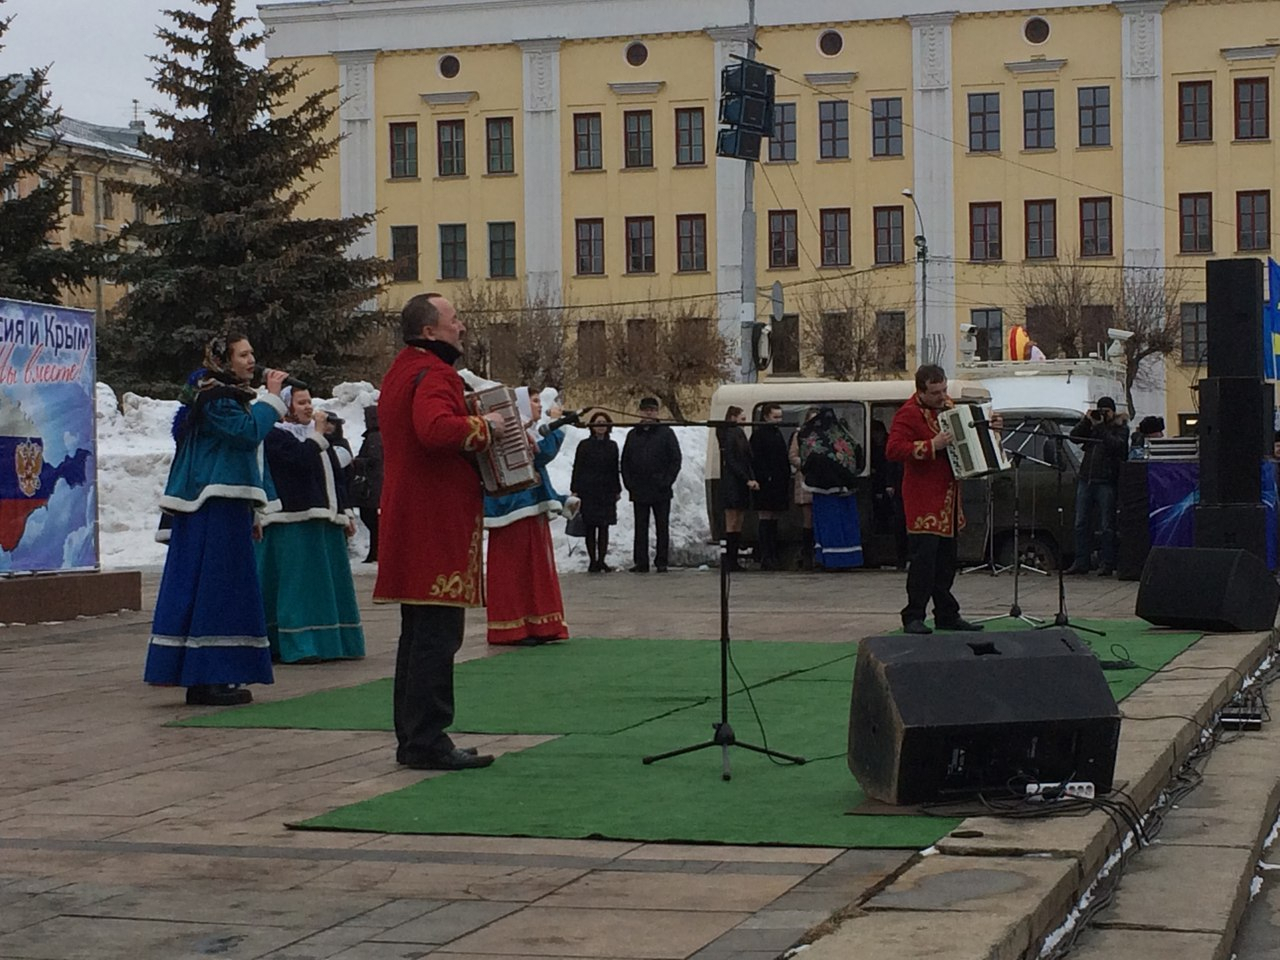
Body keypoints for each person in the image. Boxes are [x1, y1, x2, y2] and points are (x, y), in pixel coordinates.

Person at [374, 293, 504, 771]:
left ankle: (414, 737)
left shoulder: (403, 370)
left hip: (412, 517)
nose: (462, 327)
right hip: (435, 523)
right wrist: (485, 426)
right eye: (454, 320)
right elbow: (434, 430)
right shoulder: (436, 373)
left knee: (418, 635)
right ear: (429, 331)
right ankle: (428, 738)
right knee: (436, 637)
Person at [143, 334, 288, 706]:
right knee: (216, 587)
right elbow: (247, 435)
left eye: (253, 352)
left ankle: (211, 672)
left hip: (227, 502)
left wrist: (256, 507)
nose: (252, 360)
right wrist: (271, 399)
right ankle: (207, 674)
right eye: (243, 354)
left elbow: (249, 455)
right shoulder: (214, 396)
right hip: (212, 502)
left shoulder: (227, 396)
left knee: (225, 587)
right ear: (223, 359)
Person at [257, 386, 366, 664]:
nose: (308, 407)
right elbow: (300, 459)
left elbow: (336, 477)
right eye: (301, 402)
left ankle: (332, 642)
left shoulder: (314, 436)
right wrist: (318, 434)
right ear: (285, 406)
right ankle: (298, 643)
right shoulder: (273, 435)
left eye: (309, 402)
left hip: (323, 520)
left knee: (326, 585)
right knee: (297, 586)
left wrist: (345, 513)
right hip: (293, 520)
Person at [886, 364, 986, 635]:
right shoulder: (907, 414)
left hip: (949, 499)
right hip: (924, 500)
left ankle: (946, 614)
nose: (942, 396)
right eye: (935, 392)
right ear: (921, 391)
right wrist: (932, 445)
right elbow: (894, 449)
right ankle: (913, 615)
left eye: (943, 390)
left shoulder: (948, 406)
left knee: (946, 562)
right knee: (923, 563)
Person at [484, 389, 571, 645]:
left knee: (535, 568)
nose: (538, 406)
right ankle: (512, 627)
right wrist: (558, 428)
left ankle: (539, 624)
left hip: (528, 508)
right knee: (515, 570)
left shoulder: (526, 431)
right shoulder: (512, 433)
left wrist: (561, 499)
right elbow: (539, 456)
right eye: (533, 401)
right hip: (512, 509)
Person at [1066, 396, 1129, 577]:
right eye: (1099, 410)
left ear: (1112, 411)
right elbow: (1074, 437)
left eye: (1106, 411)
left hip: (1106, 481)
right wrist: (1087, 421)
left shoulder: (1120, 428)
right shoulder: (1093, 427)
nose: (1102, 414)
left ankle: (1107, 563)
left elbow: (1117, 446)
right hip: (1087, 479)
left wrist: (1101, 427)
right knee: (1080, 523)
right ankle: (1081, 561)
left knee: (1106, 525)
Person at [795, 406, 865, 570]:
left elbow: (807, 462)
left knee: (828, 526)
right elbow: (857, 455)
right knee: (844, 526)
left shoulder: (809, 438)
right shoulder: (844, 436)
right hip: (846, 488)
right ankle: (849, 559)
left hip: (824, 491)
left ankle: (830, 559)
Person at [621, 396, 682, 572]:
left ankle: (662, 561)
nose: (649, 413)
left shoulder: (666, 433)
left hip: (661, 489)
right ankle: (641, 561)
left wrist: (666, 481)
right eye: (646, 409)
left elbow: (675, 460)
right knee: (641, 527)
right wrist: (629, 483)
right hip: (639, 488)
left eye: (652, 410)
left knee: (662, 527)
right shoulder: (633, 434)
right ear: (640, 411)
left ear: (657, 412)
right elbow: (625, 461)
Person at [571, 411, 622, 573]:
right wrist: (575, 489)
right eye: (597, 423)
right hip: (588, 491)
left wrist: (617, 489)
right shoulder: (584, 445)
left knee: (604, 527)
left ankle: (602, 560)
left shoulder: (612, 446)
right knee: (590, 527)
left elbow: (615, 469)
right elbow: (577, 467)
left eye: (604, 423)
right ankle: (593, 560)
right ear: (592, 426)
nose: (601, 426)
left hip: (606, 491)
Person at [716, 405, 759, 571]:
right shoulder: (730, 434)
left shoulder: (738, 434)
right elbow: (733, 461)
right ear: (732, 418)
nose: (744, 423)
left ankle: (733, 559)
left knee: (738, 520)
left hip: (740, 482)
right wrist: (747, 479)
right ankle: (730, 559)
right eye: (742, 419)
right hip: (733, 483)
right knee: (732, 521)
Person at [750, 402, 790, 570]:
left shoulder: (776, 434)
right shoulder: (759, 435)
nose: (778, 421)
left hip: (777, 483)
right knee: (766, 519)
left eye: (780, 417)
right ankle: (767, 556)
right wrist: (766, 477)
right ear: (766, 417)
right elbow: (755, 460)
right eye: (775, 417)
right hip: (766, 484)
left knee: (773, 520)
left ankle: (772, 554)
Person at [870, 419, 908, 569]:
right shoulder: (893, 444)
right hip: (896, 486)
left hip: (904, 484)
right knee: (898, 521)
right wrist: (889, 484)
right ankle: (901, 558)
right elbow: (890, 463)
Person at [788, 407, 819, 569]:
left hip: (821, 481)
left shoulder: (823, 434)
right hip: (805, 479)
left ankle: (818, 551)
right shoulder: (799, 435)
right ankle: (807, 554)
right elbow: (793, 456)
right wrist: (806, 464)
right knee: (808, 518)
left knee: (819, 517)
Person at [352, 405, 383, 563]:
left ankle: (376, 551)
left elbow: (374, 460)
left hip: (372, 486)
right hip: (374, 484)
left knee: (370, 518)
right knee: (372, 520)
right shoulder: (377, 436)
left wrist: (357, 461)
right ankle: (375, 551)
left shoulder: (374, 437)